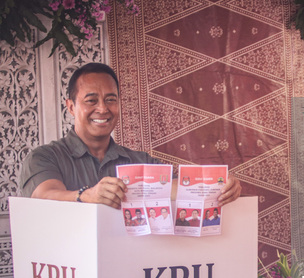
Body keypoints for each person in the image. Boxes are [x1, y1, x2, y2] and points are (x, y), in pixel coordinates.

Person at [19, 62, 241, 207]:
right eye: (91, 101)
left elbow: (179, 187)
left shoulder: (141, 161)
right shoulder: (44, 157)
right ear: (70, 107)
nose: (103, 109)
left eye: (111, 99)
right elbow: (44, 196)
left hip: (130, 270)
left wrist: (220, 186)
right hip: (72, 271)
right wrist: (87, 195)